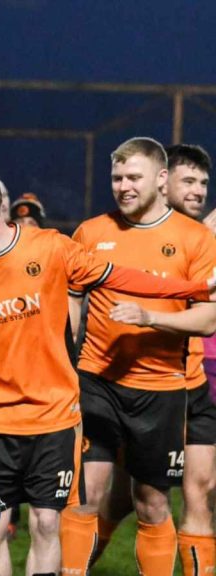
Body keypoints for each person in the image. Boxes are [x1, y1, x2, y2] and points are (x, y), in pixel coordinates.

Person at [0, 169, 214, 576]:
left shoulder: (51, 248)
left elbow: (124, 278)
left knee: (48, 523)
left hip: (55, 419)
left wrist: (197, 289)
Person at [87, 142, 216, 575]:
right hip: (136, 385)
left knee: (199, 491)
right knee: (125, 498)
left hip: (191, 383)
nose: (197, 190)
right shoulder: (109, 232)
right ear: (165, 180)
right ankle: (75, 563)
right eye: (189, 181)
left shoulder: (199, 238)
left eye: (203, 183)